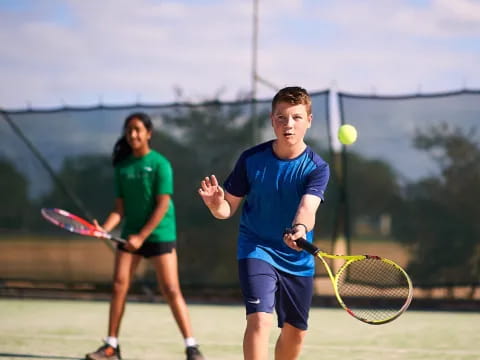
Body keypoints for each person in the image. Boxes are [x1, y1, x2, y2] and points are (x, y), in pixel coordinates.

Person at [198, 86, 330, 360]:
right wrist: (215, 205)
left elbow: (308, 207)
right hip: (256, 248)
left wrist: (300, 230)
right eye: (281, 117)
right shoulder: (251, 160)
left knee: (295, 334)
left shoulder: (317, 168)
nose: (288, 125)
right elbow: (227, 209)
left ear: (309, 120)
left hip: (298, 258)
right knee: (260, 320)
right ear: (272, 120)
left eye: (296, 117)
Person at [86, 112, 205, 360]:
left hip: (160, 233)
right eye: (129, 130)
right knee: (119, 285)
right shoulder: (123, 167)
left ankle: (191, 347)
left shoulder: (161, 164)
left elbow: (162, 205)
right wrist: (105, 229)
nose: (133, 135)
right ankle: (111, 346)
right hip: (131, 234)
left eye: (138, 130)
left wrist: (141, 236)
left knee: (171, 289)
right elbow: (120, 209)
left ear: (148, 133)